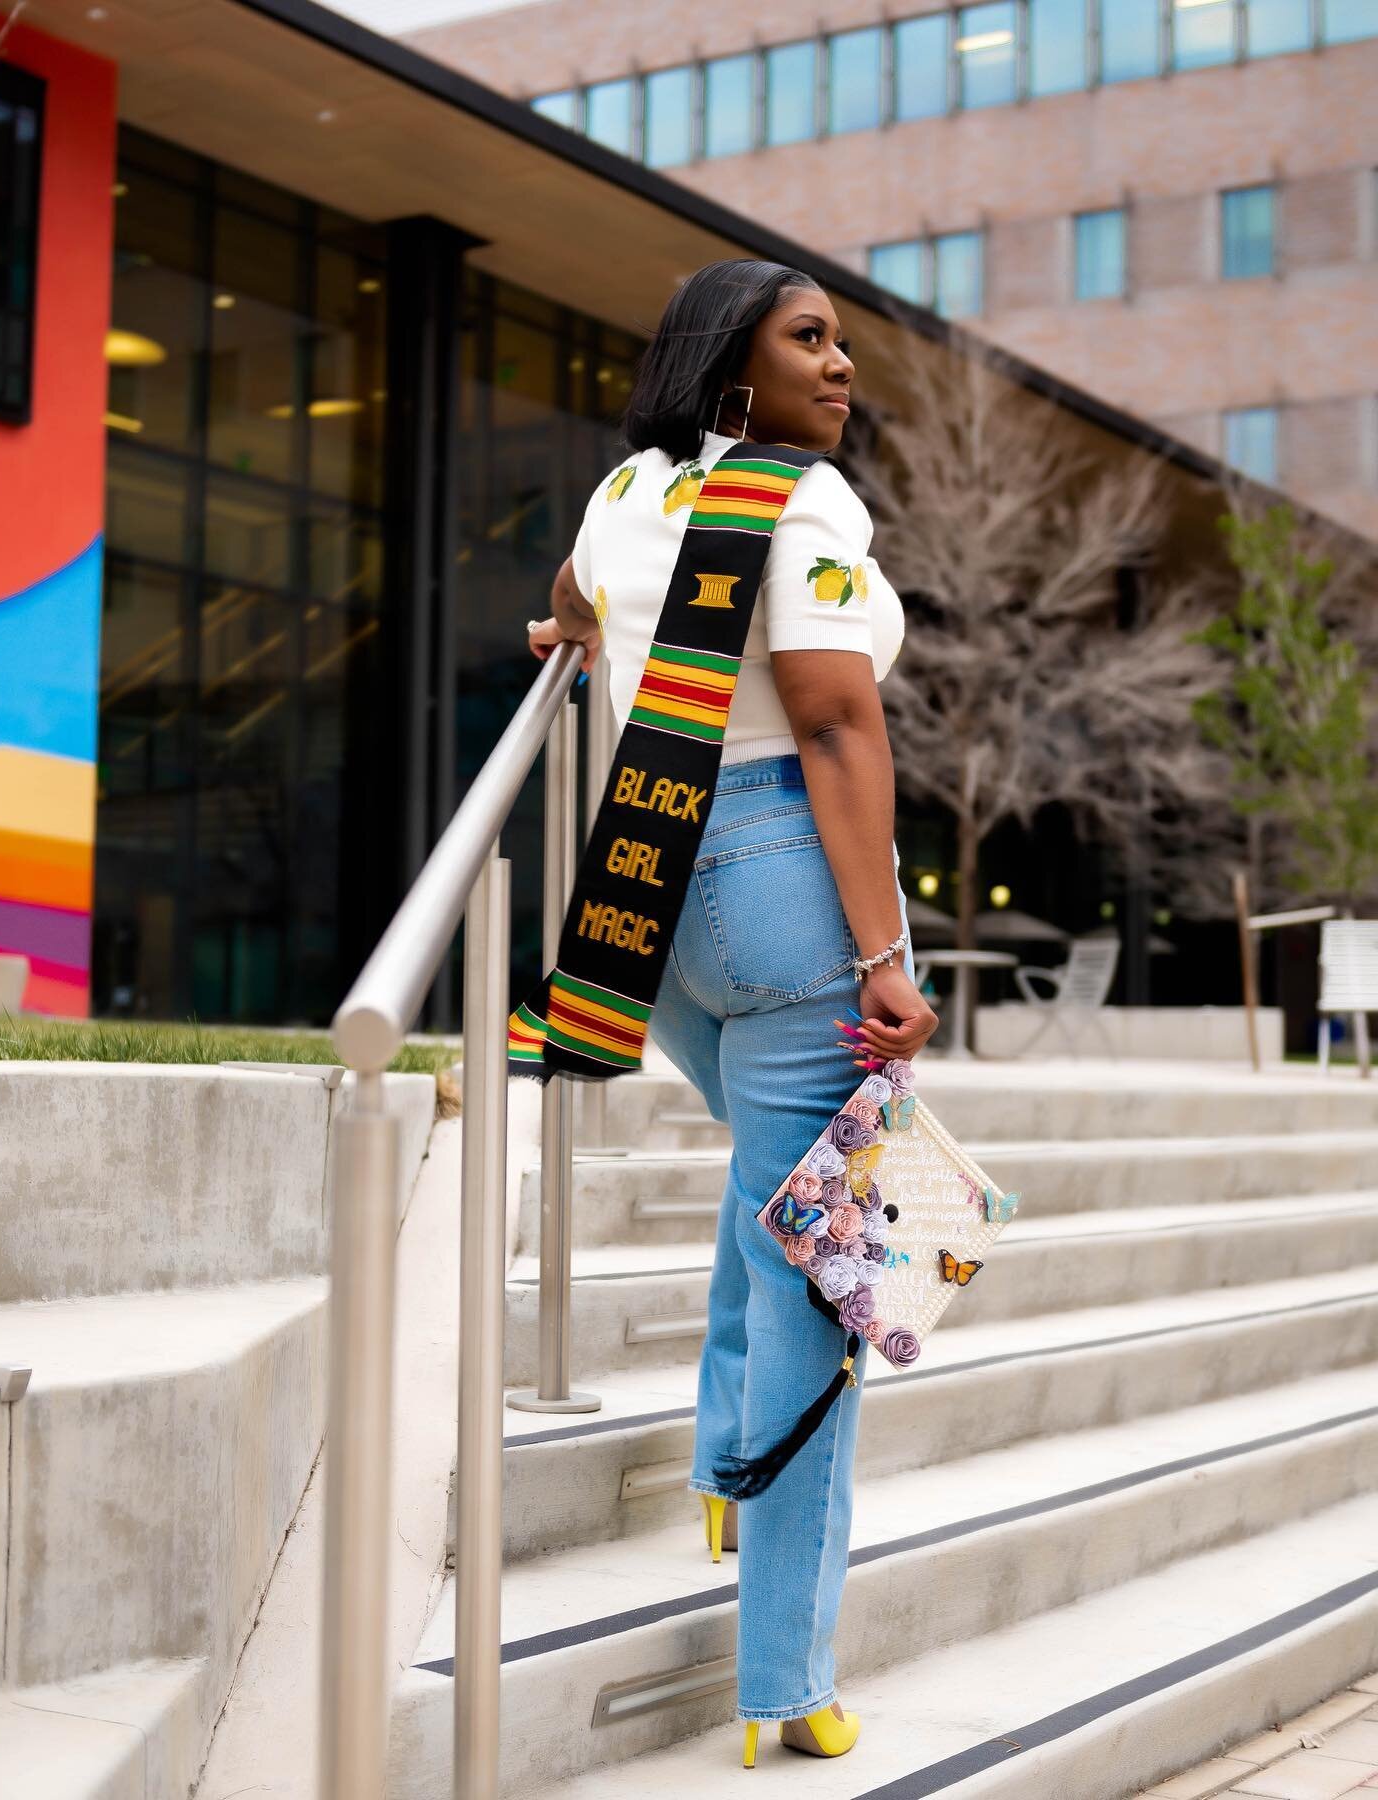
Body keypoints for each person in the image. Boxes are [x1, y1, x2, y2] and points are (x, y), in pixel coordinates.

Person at [526, 258, 939, 1770]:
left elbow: (574, 602)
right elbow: (834, 719)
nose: (842, 368)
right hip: (782, 893)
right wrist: (886, 948)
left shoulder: (630, 491)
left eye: (842, 343)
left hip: (650, 904)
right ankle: (785, 1680)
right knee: (828, 1282)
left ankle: (720, 1463)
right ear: (732, 367)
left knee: (779, 1199)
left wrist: (567, 632)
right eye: (809, 340)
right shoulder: (804, 507)